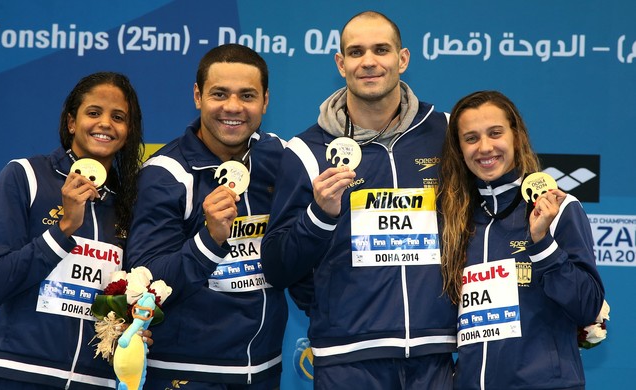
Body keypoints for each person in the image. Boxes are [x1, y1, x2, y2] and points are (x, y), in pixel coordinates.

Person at [260, 11, 457, 389]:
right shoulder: (306, 151)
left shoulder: (446, 133)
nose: (369, 61)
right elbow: (278, 266)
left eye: (381, 50)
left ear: (403, 59)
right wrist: (319, 216)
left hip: (435, 354)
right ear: (341, 63)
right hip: (347, 356)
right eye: (356, 52)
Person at [125, 43, 287, 389]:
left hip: (262, 371)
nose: (233, 107)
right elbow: (143, 284)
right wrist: (209, 240)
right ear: (198, 96)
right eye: (219, 94)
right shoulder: (166, 173)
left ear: (265, 101)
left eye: (247, 95)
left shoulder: (279, 159)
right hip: (186, 373)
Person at [0, 72, 146, 389]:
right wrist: (64, 228)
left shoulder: (129, 203)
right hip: (19, 373)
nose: (105, 123)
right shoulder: (25, 176)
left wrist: (132, 325)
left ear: (129, 130)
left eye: (118, 117)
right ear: (71, 122)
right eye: (93, 113)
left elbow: (123, 294)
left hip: (94, 381)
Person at [438, 90, 605, 389]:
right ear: (459, 147)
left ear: (516, 136)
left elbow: (588, 306)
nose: (485, 147)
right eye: (471, 138)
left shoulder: (558, 208)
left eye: (495, 133)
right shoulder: (455, 219)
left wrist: (542, 245)